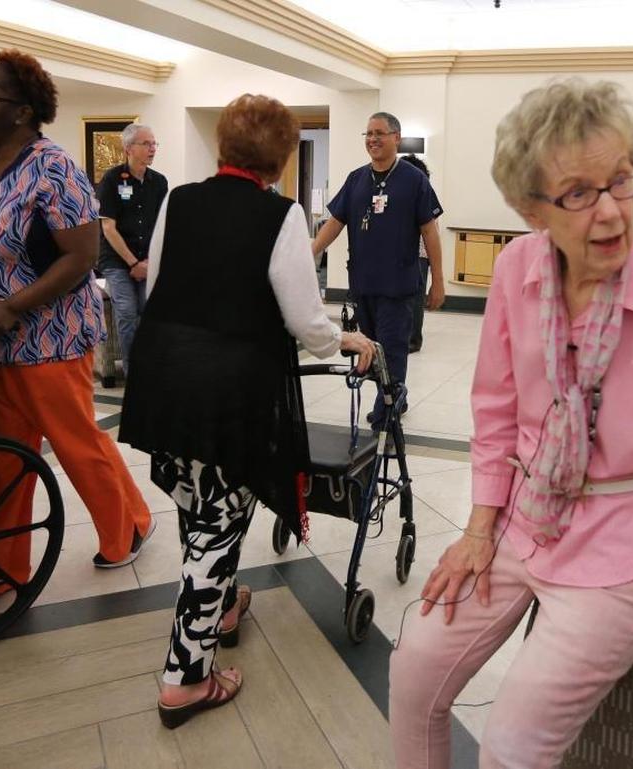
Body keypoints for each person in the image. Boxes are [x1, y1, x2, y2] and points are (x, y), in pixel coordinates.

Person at [389, 78, 633, 769]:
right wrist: (478, 529)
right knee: (413, 676)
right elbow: (496, 408)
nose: (613, 211)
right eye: (579, 193)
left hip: (630, 547)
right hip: (524, 519)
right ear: (531, 207)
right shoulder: (515, 270)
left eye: (622, 180)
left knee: (511, 748)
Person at [118, 93, 375, 728]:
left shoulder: (179, 199)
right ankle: (186, 679)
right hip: (227, 386)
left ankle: (224, 605)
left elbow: (160, 282)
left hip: (165, 371)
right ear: (280, 158)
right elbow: (304, 320)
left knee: (199, 500)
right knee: (217, 518)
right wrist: (343, 340)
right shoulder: (280, 215)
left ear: (224, 146)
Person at [0, 49, 153, 581]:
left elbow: (81, 257)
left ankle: (127, 526)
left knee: (75, 442)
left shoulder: (54, 168)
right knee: (1, 457)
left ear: (21, 111)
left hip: (49, 339)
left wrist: (14, 305)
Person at [312, 112, 445, 425]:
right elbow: (335, 222)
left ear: (396, 138)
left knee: (392, 349)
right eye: (368, 133)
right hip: (363, 284)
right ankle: (395, 397)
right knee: (370, 349)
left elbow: (430, 231)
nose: (372, 139)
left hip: (398, 285)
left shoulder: (414, 180)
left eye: (379, 133)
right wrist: (311, 252)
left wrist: (438, 281)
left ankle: (388, 412)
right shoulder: (356, 179)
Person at [96, 123, 168, 373]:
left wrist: (148, 262)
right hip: (117, 261)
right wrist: (133, 263)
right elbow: (108, 228)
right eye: (146, 144)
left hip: (148, 260)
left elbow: (161, 226)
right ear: (129, 148)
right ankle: (132, 372)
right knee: (127, 311)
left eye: (154, 143)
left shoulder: (159, 182)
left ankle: (151, 368)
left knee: (149, 312)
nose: (152, 148)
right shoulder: (112, 180)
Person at [398, 153, 436, 353]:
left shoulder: (423, 193)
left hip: (419, 252)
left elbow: (430, 230)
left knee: (415, 298)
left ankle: (413, 339)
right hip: (405, 252)